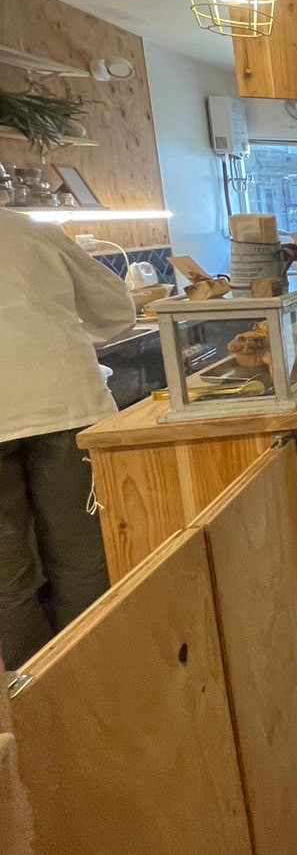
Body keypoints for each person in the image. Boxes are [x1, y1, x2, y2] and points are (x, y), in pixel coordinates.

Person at [0, 211, 134, 668]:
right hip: (65, 408)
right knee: (81, 560)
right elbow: (116, 313)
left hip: (54, 410)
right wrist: (56, 330)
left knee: (6, 582)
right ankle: (91, 674)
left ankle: (31, 694)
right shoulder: (30, 231)